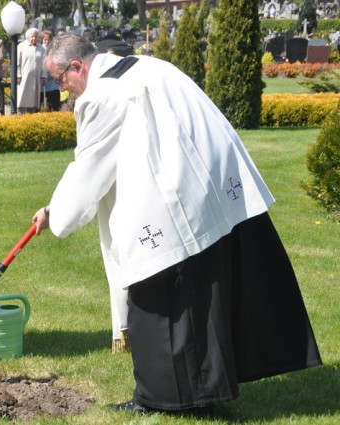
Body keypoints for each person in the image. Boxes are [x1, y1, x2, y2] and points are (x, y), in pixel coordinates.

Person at [32, 33, 322, 414]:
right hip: (213, 186)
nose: (61, 89)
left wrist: (58, 215)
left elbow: (88, 168)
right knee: (208, 294)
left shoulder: (101, 96)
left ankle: (165, 399)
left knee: (161, 297)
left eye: (59, 79)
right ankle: (205, 393)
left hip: (175, 198)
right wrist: (54, 207)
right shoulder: (147, 64)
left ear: (77, 67)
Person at [17, 28, 46, 114]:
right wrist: (18, 75)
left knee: (34, 98)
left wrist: (44, 75)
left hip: (36, 77)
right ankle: (20, 113)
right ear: (27, 37)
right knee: (22, 97)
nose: (34, 38)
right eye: (32, 36)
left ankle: (32, 114)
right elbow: (17, 62)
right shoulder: (21, 46)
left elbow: (44, 64)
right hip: (24, 77)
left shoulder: (41, 48)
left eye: (36, 36)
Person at [40, 30, 61, 112]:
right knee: (45, 102)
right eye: (45, 39)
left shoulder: (54, 49)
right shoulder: (40, 49)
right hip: (44, 79)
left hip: (53, 79)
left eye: (48, 39)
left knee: (54, 103)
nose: (46, 41)